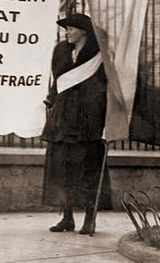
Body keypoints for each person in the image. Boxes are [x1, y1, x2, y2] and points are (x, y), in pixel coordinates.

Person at [42, 13, 112, 235]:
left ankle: (90, 219)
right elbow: (57, 79)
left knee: (88, 169)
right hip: (63, 118)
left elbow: (106, 85)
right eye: (67, 29)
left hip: (88, 120)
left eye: (72, 28)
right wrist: (52, 99)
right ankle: (67, 217)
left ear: (84, 31)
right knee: (62, 169)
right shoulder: (60, 50)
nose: (68, 32)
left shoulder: (99, 53)